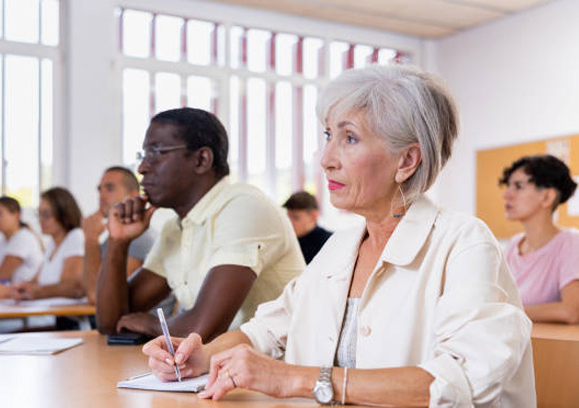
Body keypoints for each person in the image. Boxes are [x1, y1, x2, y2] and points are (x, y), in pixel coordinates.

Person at [142, 65, 536, 407]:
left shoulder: (464, 243)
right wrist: (203, 356)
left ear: (407, 161)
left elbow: (462, 382)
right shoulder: (340, 247)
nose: (326, 158)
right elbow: (266, 330)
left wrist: (295, 379)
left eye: (349, 138)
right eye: (327, 135)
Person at [96, 107, 305, 341]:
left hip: (281, 369)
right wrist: (117, 242)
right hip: (222, 368)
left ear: (201, 160)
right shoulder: (176, 229)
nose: (142, 168)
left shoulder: (243, 207)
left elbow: (203, 329)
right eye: (142, 155)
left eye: (155, 152)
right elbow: (109, 322)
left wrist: (152, 324)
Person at [500, 154, 579, 324]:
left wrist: (507, 312)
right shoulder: (514, 244)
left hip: (549, 348)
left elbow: (571, 311)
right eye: (508, 186)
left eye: (518, 186)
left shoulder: (571, 242)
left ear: (547, 197)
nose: (506, 195)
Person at [82, 166, 156, 304]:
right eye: (100, 189)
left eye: (110, 189)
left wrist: (90, 239)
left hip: (139, 324)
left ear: (133, 196)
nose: (101, 196)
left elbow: (97, 297)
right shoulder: (112, 239)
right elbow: (83, 286)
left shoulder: (139, 238)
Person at [12, 187, 85, 301]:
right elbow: (35, 282)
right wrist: (15, 288)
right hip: (45, 311)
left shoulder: (76, 236)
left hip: (63, 316)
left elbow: (71, 287)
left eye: (46, 214)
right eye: (39, 214)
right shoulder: (52, 243)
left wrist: (37, 292)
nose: (40, 220)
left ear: (64, 214)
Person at [282, 191, 332, 263]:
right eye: (288, 217)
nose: (289, 223)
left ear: (313, 216)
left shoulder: (329, 243)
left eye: (295, 218)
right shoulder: (287, 242)